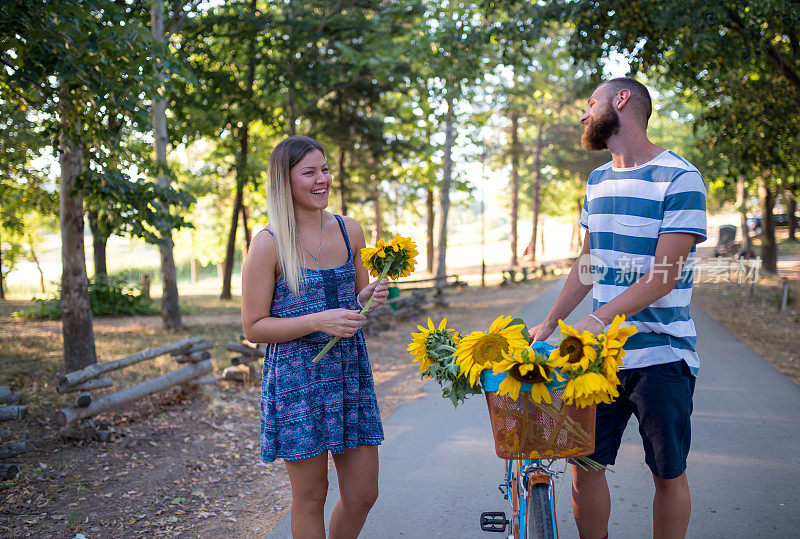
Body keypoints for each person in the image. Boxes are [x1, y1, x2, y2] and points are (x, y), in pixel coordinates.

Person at [529, 78, 706, 539]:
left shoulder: (681, 178)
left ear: (621, 100)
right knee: (583, 465)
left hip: (661, 356)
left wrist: (598, 318)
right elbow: (589, 262)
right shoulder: (597, 180)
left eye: (591, 103)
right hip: (598, 361)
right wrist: (551, 323)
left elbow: (664, 274)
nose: (584, 115)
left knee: (668, 474)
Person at [241, 135, 389, 538]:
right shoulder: (268, 243)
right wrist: (318, 321)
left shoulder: (348, 230)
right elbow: (253, 327)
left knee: (363, 494)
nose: (321, 178)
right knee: (311, 497)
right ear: (284, 181)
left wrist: (367, 297)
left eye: (324, 169)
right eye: (309, 172)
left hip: (349, 375)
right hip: (297, 382)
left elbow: (355, 299)